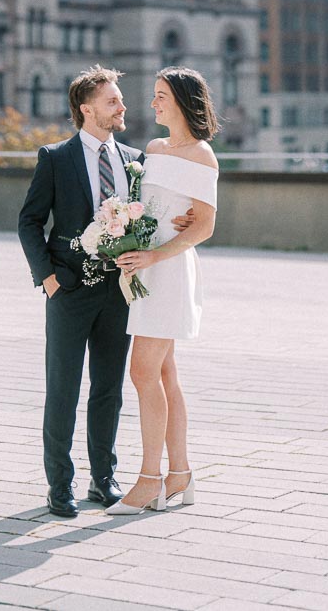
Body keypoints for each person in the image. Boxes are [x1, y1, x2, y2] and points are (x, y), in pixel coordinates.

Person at [18, 64, 192, 518]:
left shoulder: (138, 159)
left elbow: (156, 211)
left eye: (120, 99)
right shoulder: (55, 158)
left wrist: (182, 222)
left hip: (119, 293)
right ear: (87, 108)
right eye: (113, 100)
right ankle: (60, 486)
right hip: (69, 291)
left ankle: (103, 479)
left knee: (109, 390)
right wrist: (48, 278)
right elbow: (29, 221)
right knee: (63, 390)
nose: (123, 107)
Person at [107, 65, 219, 515]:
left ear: (182, 101)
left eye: (159, 95)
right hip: (145, 267)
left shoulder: (202, 155)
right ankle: (180, 475)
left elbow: (206, 226)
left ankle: (149, 480)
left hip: (168, 270)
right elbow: (149, 207)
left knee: (142, 373)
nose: (152, 102)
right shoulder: (153, 148)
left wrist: (154, 255)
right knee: (164, 374)